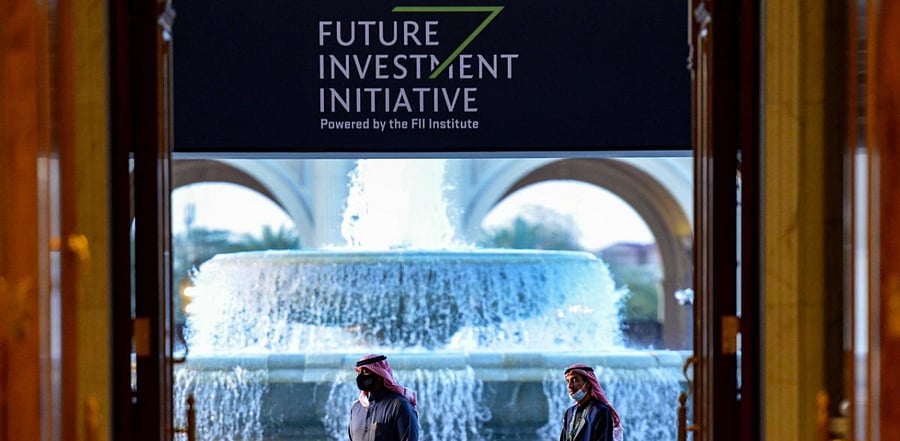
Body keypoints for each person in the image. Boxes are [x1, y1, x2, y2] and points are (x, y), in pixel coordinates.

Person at [348, 354, 419, 441]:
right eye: (359, 372)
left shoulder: (399, 406)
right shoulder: (356, 408)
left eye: (366, 372)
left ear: (380, 375)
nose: (361, 377)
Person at [559, 363, 623, 441]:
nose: (569, 386)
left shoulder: (600, 411)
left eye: (574, 380)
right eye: (567, 381)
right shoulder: (569, 412)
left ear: (588, 384)